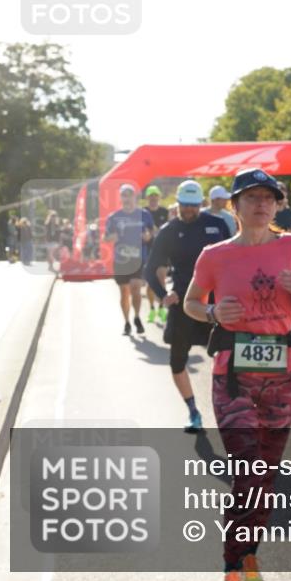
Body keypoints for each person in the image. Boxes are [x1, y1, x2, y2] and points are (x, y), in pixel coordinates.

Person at [183, 168, 291, 581]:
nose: (261, 205)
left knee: (266, 476)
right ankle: (232, 567)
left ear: (278, 205)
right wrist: (210, 313)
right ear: (235, 206)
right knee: (247, 471)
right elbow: (190, 302)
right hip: (234, 377)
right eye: (252, 198)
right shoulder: (215, 255)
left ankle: (248, 557)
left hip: (282, 375)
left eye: (269, 198)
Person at [144, 180, 231, 433]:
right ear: (178, 204)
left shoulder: (215, 225)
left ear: (201, 203)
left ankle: (230, 410)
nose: (190, 210)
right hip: (183, 302)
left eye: (194, 205)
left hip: (215, 301)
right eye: (185, 205)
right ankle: (193, 411)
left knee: (226, 356)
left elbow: (234, 258)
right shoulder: (169, 230)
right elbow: (151, 268)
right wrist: (163, 293)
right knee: (177, 361)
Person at [104, 184, 155, 336]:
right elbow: (106, 237)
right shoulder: (113, 217)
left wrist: (148, 236)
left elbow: (152, 231)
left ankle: (137, 317)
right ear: (121, 198)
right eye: (124, 195)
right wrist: (110, 238)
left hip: (138, 258)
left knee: (135, 288)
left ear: (135, 197)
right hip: (121, 260)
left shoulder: (144, 214)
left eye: (130, 195)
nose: (127, 198)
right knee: (124, 292)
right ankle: (126, 322)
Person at [143, 185, 170, 324]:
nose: (153, 198)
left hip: (163, 251)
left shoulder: (165, 212)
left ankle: (161, 308)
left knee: (161, 279)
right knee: (150, 284)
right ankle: (152, 309)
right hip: (148, 251)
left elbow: (169, 229)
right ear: (147, 198)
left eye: (155, 196)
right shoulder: (143, 212)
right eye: (150, 196)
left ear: (159, 197)